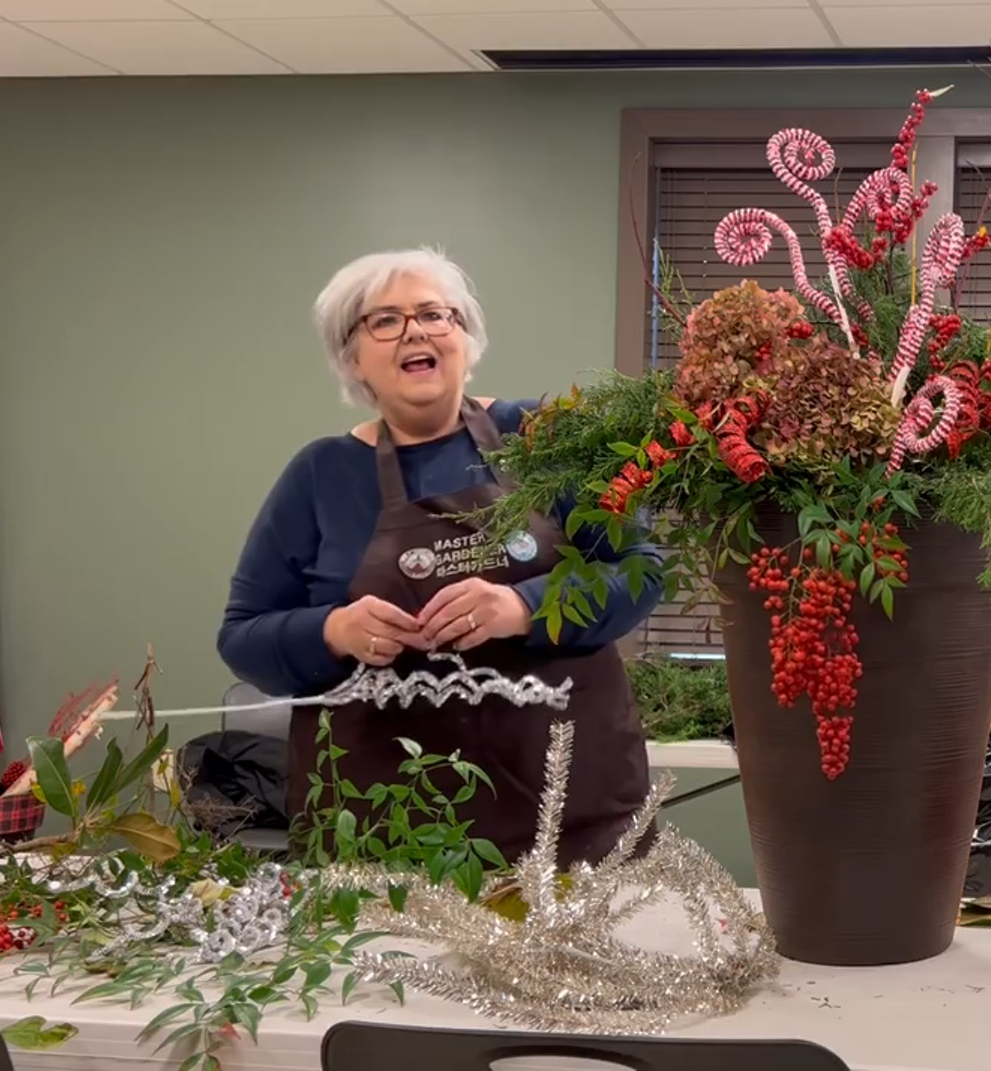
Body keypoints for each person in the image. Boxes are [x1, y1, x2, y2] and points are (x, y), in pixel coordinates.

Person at [218, 247, 661, 866]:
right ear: (353, 358)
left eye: (435, 314)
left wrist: (523, 606)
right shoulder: (319, 475)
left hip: (564, 823)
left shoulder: (545, 436)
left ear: (465, 338)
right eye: (385, 320)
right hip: (384, 839)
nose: (415, 331)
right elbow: (242, 637)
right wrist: (334, 630)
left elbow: (639, 570)